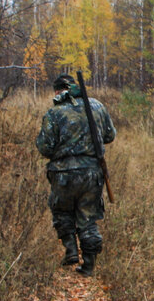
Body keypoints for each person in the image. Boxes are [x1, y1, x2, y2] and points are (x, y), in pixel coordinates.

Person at [36, 73, 116, 277]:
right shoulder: (96, 106)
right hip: (92, 172)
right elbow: (109, 135)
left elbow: (45, 147)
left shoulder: (54, 113)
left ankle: (71, 249)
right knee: (88, 217)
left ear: (57, 91)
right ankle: (88, 265)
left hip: (62, 174)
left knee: (62, 211)